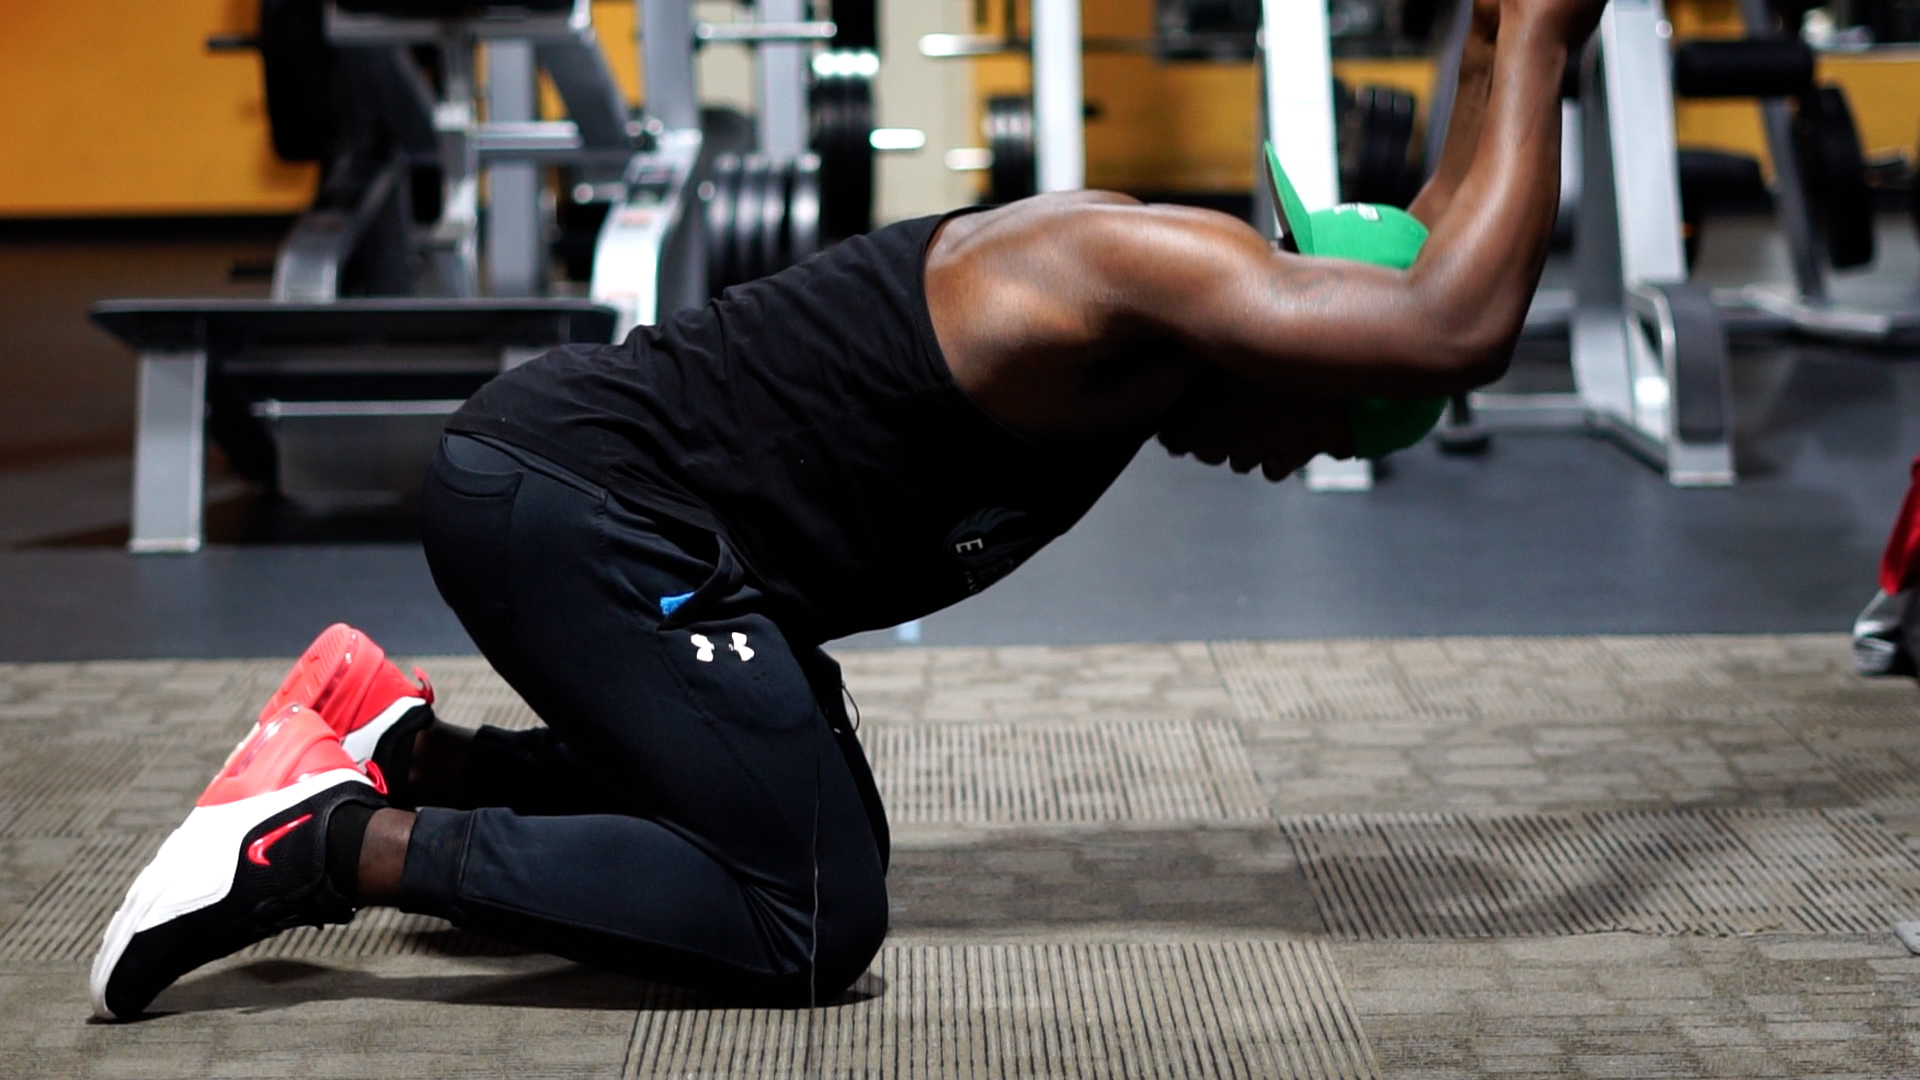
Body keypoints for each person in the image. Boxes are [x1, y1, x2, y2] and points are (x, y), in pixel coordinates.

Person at [90, 0, 1603, 1021]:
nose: (1285, 467)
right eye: (1321, 426)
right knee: (808, 910)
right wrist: (1532, 28)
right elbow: (1446, 328)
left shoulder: (1142, 376)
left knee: (805, 823)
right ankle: (326, 843)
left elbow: (1426, 293)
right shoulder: (1127, 263)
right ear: (1287, 336)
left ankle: (407, 748)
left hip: (640, 536)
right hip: (575, 506)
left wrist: (1509, 48)